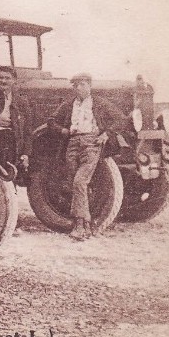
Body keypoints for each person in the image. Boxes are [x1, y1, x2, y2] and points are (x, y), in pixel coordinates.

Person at [47, 72, 127, 241]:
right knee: (74, 184)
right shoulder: (69, 104)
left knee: (79, 182)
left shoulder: (99, 103)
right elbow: (51, 121)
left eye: (82, 84)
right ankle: (86, 225)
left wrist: (106, 134)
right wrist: (63, 131)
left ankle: (80, 225)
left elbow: (121, 119)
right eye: (75, 85)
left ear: (90, 86)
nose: (78, 88)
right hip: (72, 144)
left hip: (91, 143)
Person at [0, 66, 32, 174]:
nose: (3, 81)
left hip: (12, 143)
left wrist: (26, 154)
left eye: (7, 78)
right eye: (0, 77)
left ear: (14, 80)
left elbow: (27, 131)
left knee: (9, 175)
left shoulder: (22, 102)